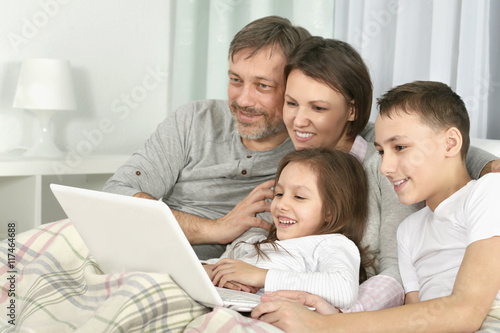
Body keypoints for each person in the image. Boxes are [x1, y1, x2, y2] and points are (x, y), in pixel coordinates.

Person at [251, 81, 500, 332]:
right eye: (381, 151)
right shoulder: (409, 230)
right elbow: (410, 318)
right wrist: (333, 313)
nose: (385, 168)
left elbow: (465, 313)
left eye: (400, 147)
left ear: (450, 143)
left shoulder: (488, 191)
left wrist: (327, 324)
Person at [103, 16, 312, 260]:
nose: (243, 100)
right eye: (236, 80)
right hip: (136, 247)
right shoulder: (195, 119)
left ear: (294, 88)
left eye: (262, 86)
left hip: (199, 269)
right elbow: (114, 196)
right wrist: (216, 228)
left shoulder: (307, 149)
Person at [203, 148, 374, 309]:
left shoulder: (331, 243)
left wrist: (261, 276)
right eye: (279, 194)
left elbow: (342, 289)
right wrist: (216, 272)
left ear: (331, 211)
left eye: (299, 197)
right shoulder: (256, 242)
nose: (282, 204)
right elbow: (211, 267)